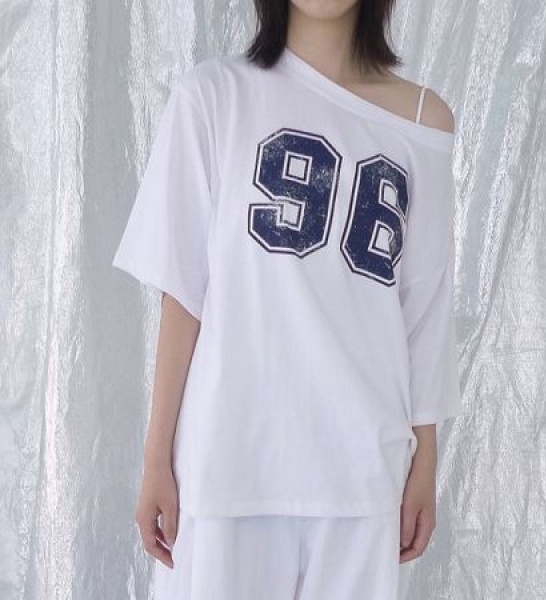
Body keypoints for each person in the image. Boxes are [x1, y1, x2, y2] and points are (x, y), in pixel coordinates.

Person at [112, 0, 462, 597]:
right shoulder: (214, 96)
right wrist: (156, 459)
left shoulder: (422, 119)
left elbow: (424, 307)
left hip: (361, 472)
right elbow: (183, 296)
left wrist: (424, 456)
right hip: (228, 463)